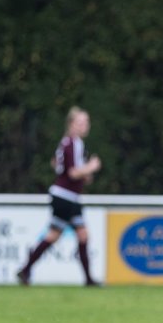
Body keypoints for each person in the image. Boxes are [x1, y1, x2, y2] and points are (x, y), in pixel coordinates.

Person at [17, 106, 102, 287]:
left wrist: (84, 173)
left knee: (70, 235)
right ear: (71, 124)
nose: (85, 125)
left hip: (68, 197)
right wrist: (91, 167)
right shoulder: (72, 143)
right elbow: (72, 173)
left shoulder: (69, 144)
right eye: (81, 122)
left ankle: (26, 270)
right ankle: (87, 280)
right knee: (67, 235)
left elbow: (58, 165)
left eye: (86, 122)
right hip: (65, 197)